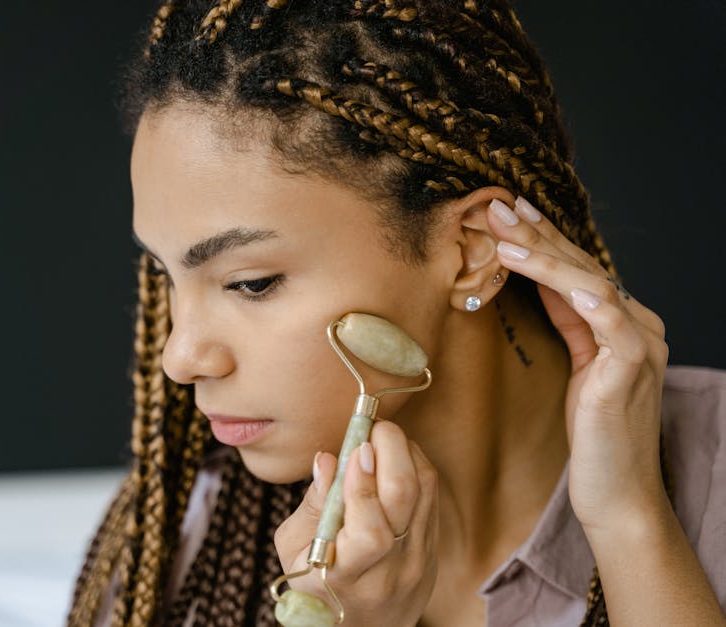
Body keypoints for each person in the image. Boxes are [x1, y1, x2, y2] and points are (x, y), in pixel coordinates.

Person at [67, 1, 726, 625]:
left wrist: (631, 519)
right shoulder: (183, 536)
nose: (179, 358)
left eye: (252, 282)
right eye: (166, 277)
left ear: (471, 249)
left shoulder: (711, 474)